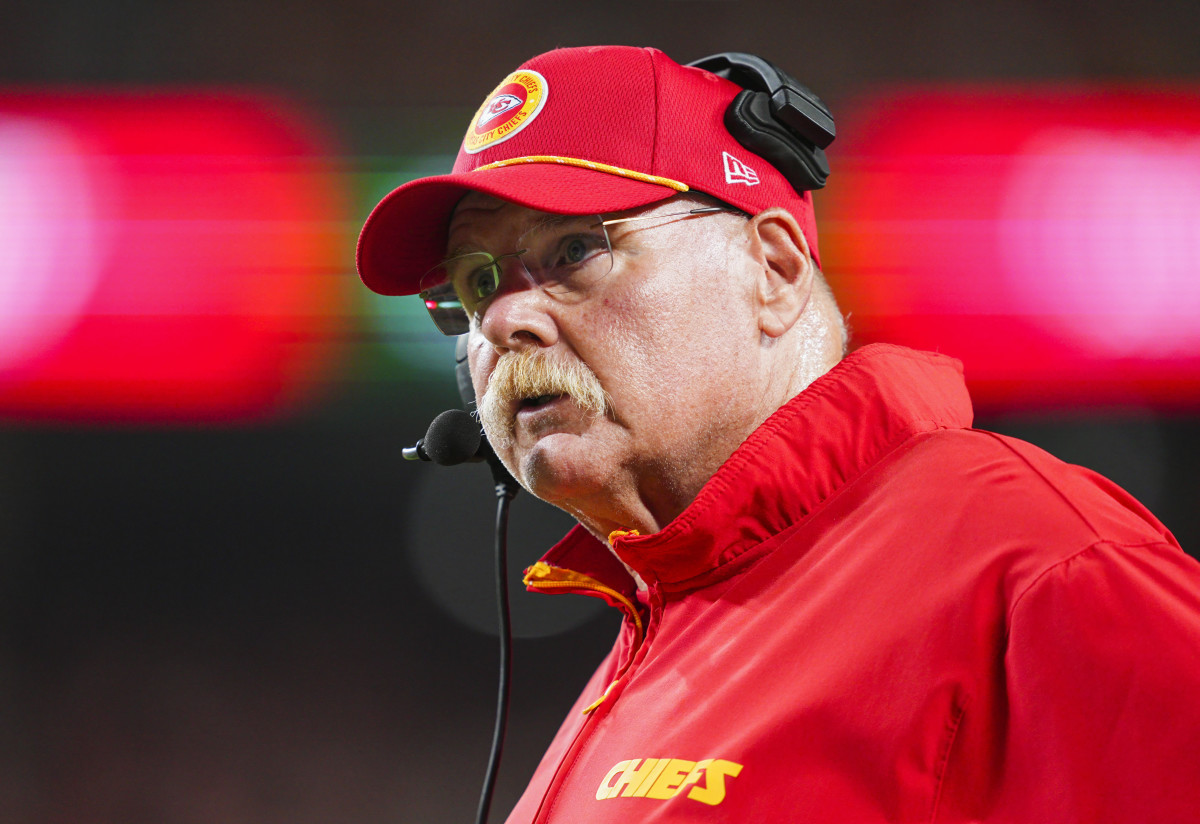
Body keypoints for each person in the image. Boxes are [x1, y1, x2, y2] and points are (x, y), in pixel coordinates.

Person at [357, 45, 1200, 823]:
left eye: (575, 249)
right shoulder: (668, 617)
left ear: (775, 271)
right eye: (475, 284)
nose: (506, 318)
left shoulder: (1041, 565)